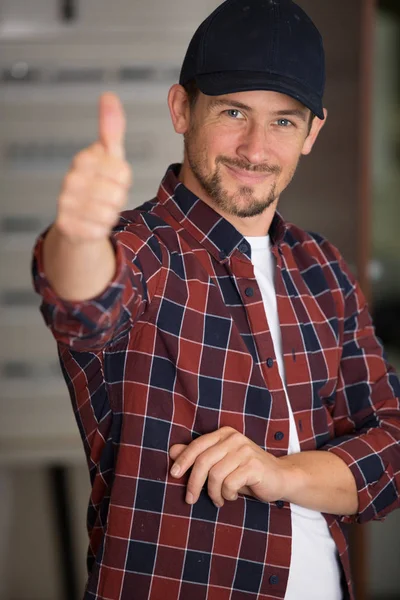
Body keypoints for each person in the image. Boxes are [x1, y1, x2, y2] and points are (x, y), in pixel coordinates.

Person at [32, 1, 400, 599]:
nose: (256, 148)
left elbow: (391, 446)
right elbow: (85, 303)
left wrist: (279, 474)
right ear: (182, 109)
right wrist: (75, 238)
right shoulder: (140, 250)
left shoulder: (324, 269)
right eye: (234, 112)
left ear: (313, 133)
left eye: (283, 121)